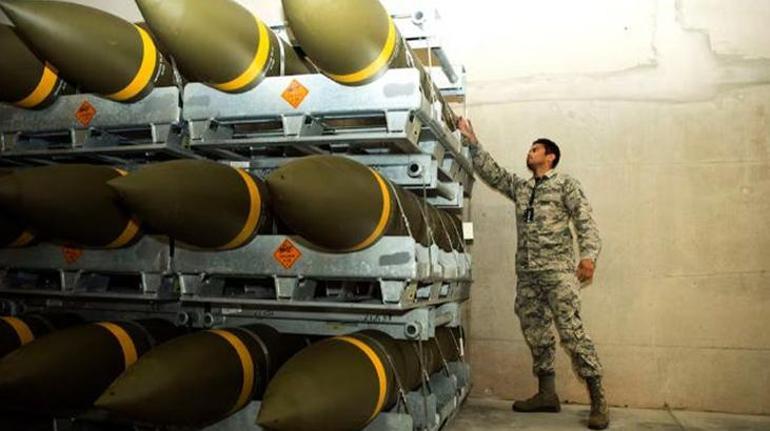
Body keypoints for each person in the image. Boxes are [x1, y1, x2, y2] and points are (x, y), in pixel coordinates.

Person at [457, 117, 609, 430]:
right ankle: (547, 394)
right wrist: (473, 143)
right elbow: (494, 173)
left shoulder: (565, 184)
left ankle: (598, 401)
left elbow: (585, 220)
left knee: (572, 333)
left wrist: (588, 256)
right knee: (536, 332)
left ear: (550, 156)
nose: (530, 152)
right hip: (527, 274)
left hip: (557, 272)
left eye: (536, 149)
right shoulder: (523, 188)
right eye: (530, 148)